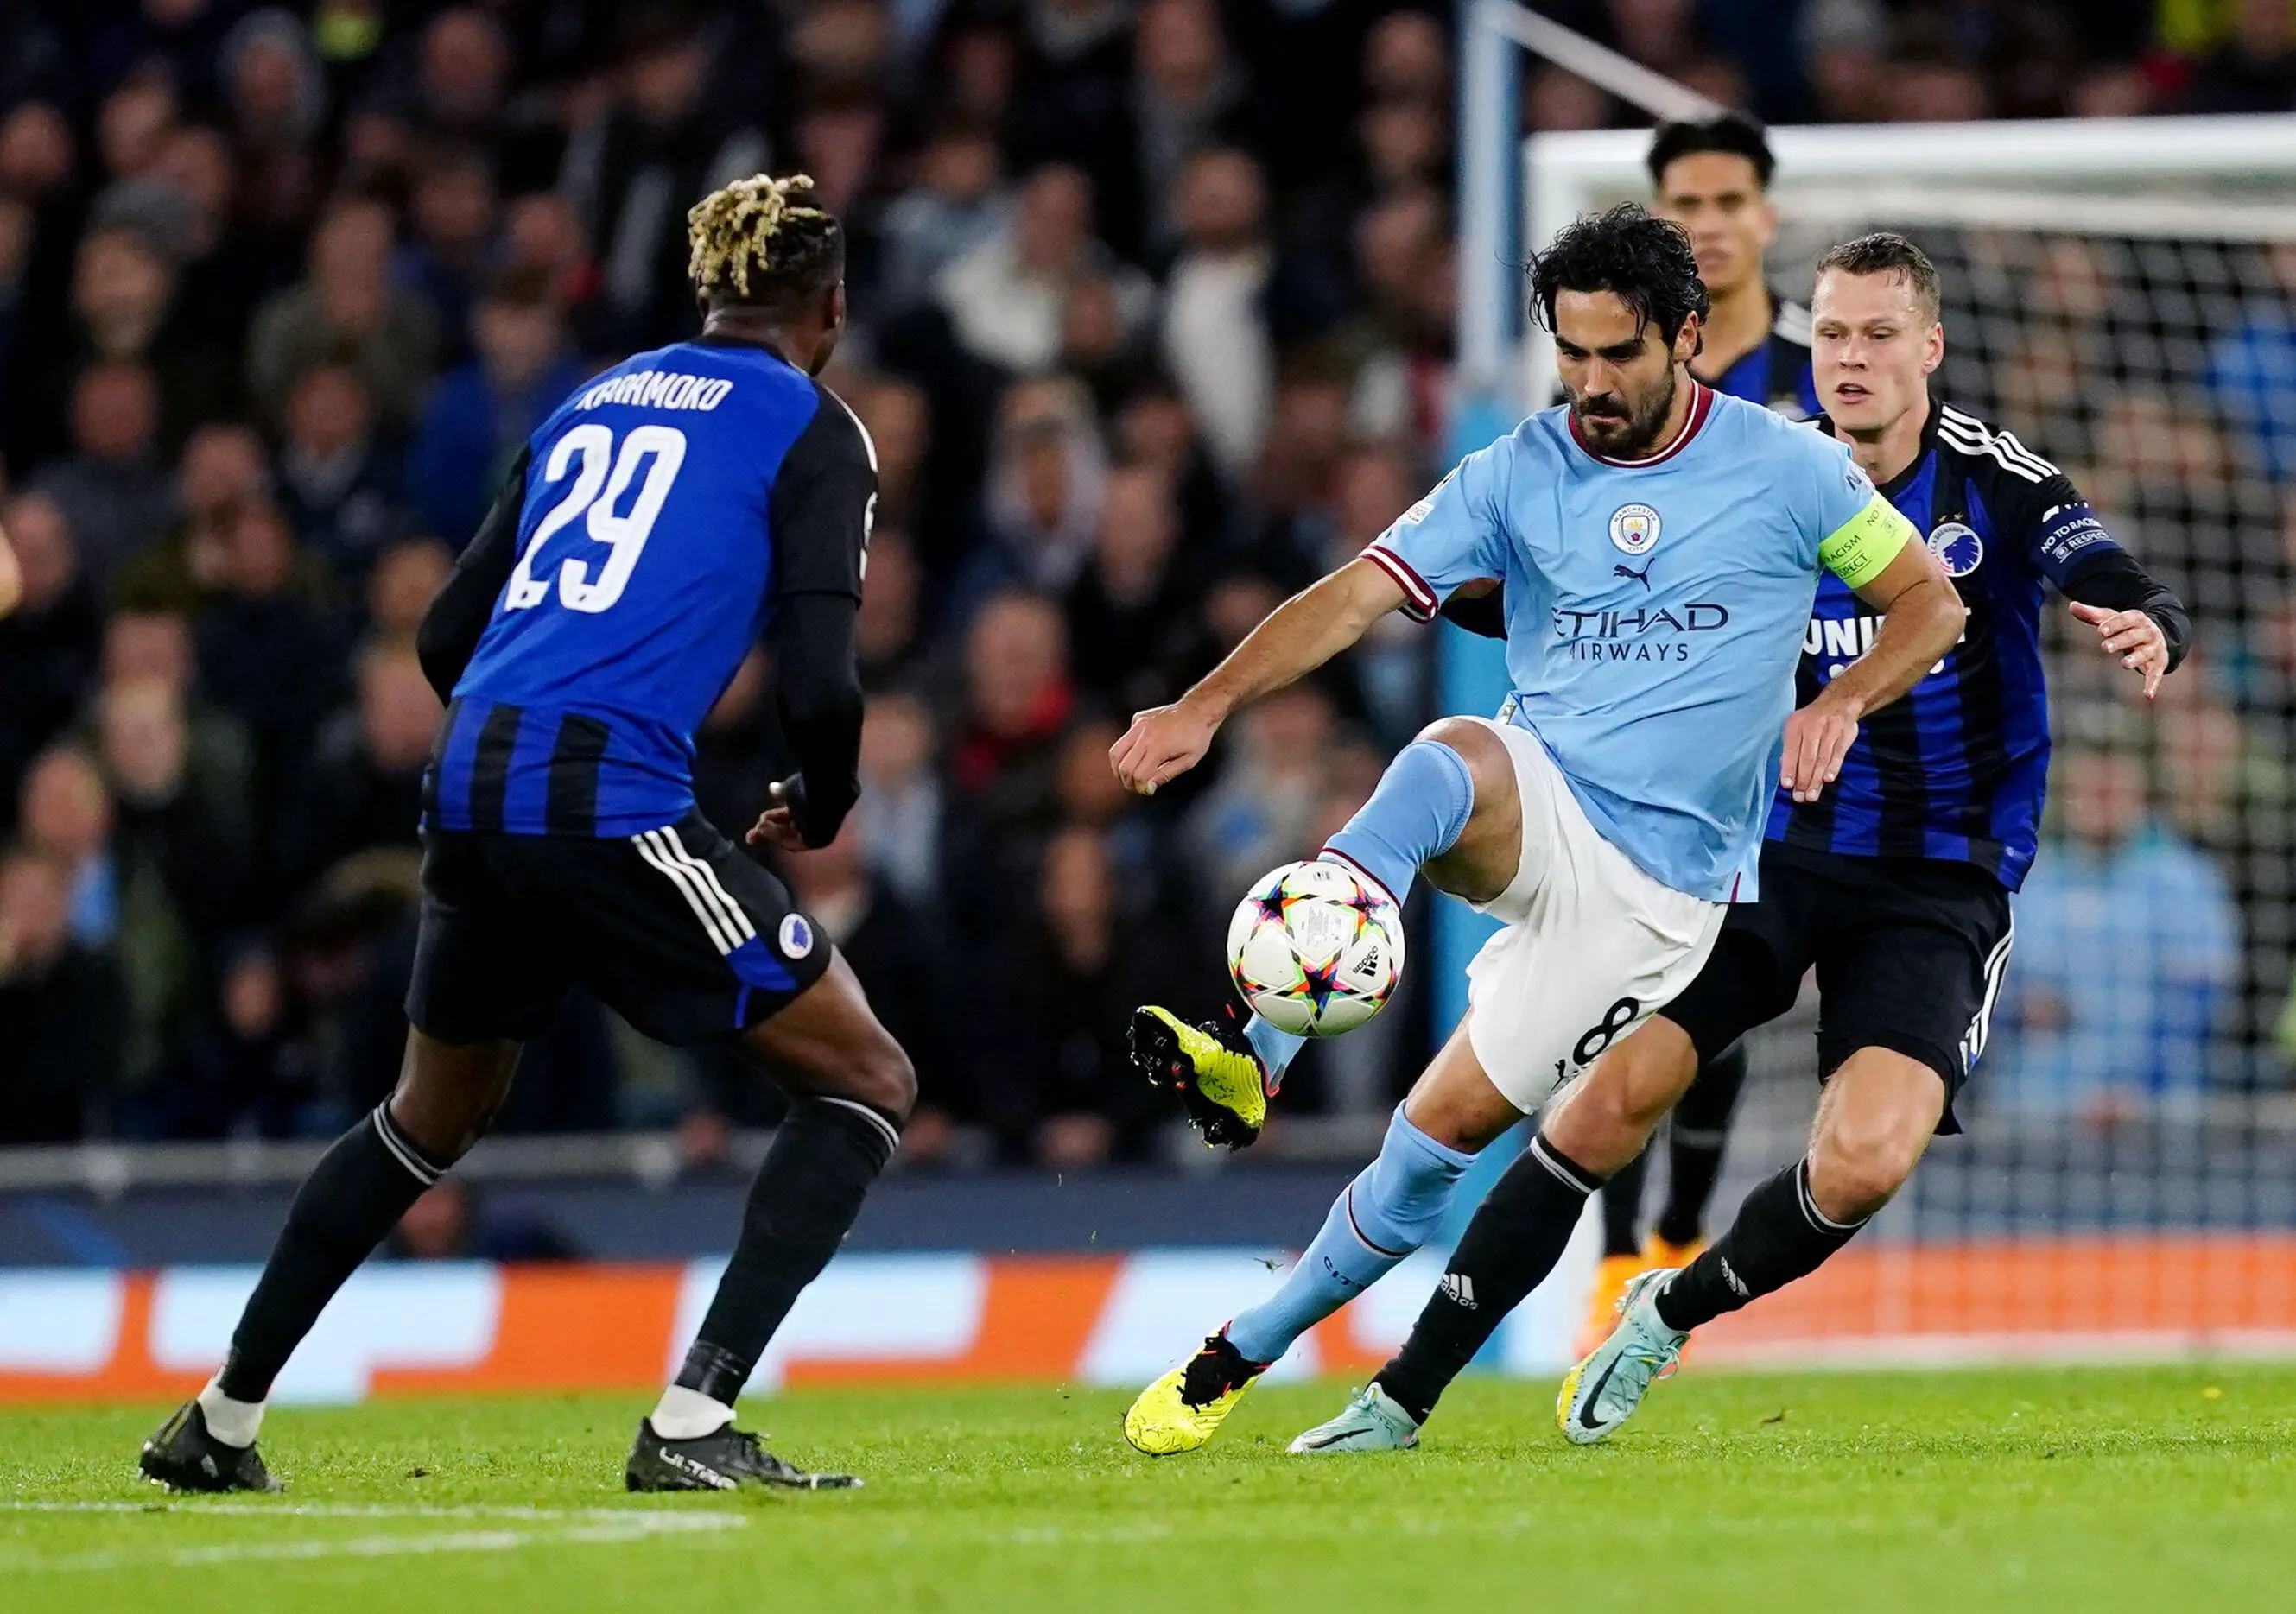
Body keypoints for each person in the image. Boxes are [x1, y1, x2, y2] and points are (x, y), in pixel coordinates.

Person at [1113, 205, 1963, 1457]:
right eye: (1569, 353)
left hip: (1652, 901)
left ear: (1684, 335)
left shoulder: (1787, 471)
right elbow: (1359, 593)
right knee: (1446, 756)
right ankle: (1262, 1047)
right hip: (1538, 799)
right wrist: (1205, 700)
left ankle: (1242, 1347)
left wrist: (1837, 701)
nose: (1590, 384)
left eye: (1617, 354)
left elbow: (1926, 604)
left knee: (1434, 1147)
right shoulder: (1521, 467)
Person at [1323, 233, 2191, 1454]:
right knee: (1604, 1099)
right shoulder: (1754, 461)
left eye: (1879, 334)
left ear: (1926, 349)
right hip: (1759, 848)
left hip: (1936, 874)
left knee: (1864, 1160)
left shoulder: (1991, 480)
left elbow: (2086, 553)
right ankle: (1399, 1396)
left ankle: (1668, 1308)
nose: (1851, 356)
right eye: (1831, 331)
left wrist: (2147, 616)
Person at [139, 173, 912, 1495]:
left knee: (425, 1118)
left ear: (706, 295)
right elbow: (824, 681)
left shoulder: (596, 396)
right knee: (864, 1080)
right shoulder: (813, 427)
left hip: (475, 772)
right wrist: (822, 803)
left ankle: (219, 1416)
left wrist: (530, 728)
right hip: (601, 792)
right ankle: (689, 1421)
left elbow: (445, 633)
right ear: (830, 304)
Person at [1574, 113, 1823, 1327]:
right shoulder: (1612, 382)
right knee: (1634, 988)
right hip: (1648, 731)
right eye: (1686, 202)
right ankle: (1624, 1247)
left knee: (1713, 990)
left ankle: (1671, 1235)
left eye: (1730, 201)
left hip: (1792, 740)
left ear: (1765, 218)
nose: (1711, 223)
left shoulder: (1829, 377)